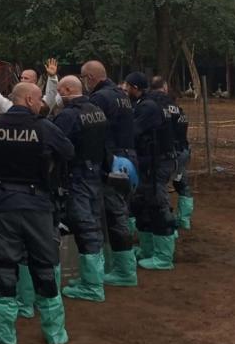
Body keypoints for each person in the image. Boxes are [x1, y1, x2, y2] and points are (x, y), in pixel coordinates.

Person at [0, 82, 74, 344]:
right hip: (39, 204)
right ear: (29, 99)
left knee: (5, 263)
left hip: (5, 203)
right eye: (40, 98)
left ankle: (4, 333)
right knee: (44, 262)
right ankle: (55, 332)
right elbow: (69, 152)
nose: (42, 102)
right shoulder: (44, 127)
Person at [80, 59, 138, 288]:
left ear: (91, 78)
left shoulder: (100, 99)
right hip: (128, 159)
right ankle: (120, 264)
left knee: (114, 215)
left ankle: (124, 270)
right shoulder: (121, 95)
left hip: (112, 161)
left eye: (84, 77)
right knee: (120, 212)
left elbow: (94, 133)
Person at [50, 75, 108, 302]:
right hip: (95, 173)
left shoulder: (68, 116)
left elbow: (57, 146)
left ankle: (92, 285)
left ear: (65, 89)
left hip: (78, 175)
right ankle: (94, 277)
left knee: (84, 225)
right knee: (94, 221)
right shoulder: (97, 111)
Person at [125, 72, 178, 271]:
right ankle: (148, 250)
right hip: (149, 162)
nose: (124, 90)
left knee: (158, 204)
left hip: (158, 162)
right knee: (143, 203)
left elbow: (133, 131)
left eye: (127, 87)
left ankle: (164, 256)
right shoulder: (147, 103)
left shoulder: (147, 107)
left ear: (135, 87)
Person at [158, 76, 194, 230]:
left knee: (161, 188)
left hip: (170, 154)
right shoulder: (181, 112)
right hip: (183, 151)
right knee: (182, 185)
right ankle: (184, 219)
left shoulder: (165, 113)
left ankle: (167, 221)